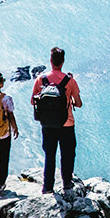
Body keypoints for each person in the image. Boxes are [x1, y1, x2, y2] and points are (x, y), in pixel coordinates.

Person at [30, 46, 82, 194]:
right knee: (68, 155)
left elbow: (33, 102)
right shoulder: (70, 81)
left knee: (49, 156)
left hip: (47, 125)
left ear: (51, 60)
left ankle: (47, 187)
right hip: (66, 124)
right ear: (63, 61)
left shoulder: (41, 79)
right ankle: (66, 184)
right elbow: (78, 103)